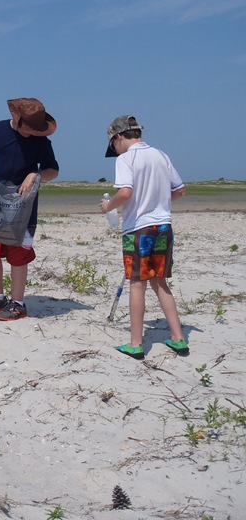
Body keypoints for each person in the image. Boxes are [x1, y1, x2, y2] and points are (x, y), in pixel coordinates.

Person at [100, 115, 187, 359]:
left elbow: (125, 192)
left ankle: (136, 344)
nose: (115, 150)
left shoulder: (126, 158)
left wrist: (108, 206)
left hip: (138, 229)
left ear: (118, 137)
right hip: (163, 226)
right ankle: (179, 338)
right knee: (159, 281)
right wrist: (157, 201)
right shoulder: (161, 155)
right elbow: (179, 191)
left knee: (137, 283)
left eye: (113, 145)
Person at [0, 98, 59, 320]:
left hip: (24, 203)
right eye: (27, 128)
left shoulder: (41, 142)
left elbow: (53, 170)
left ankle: (18, 303)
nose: (30, 133)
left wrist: (36, 175)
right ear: (16, 120)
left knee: (19, 250)